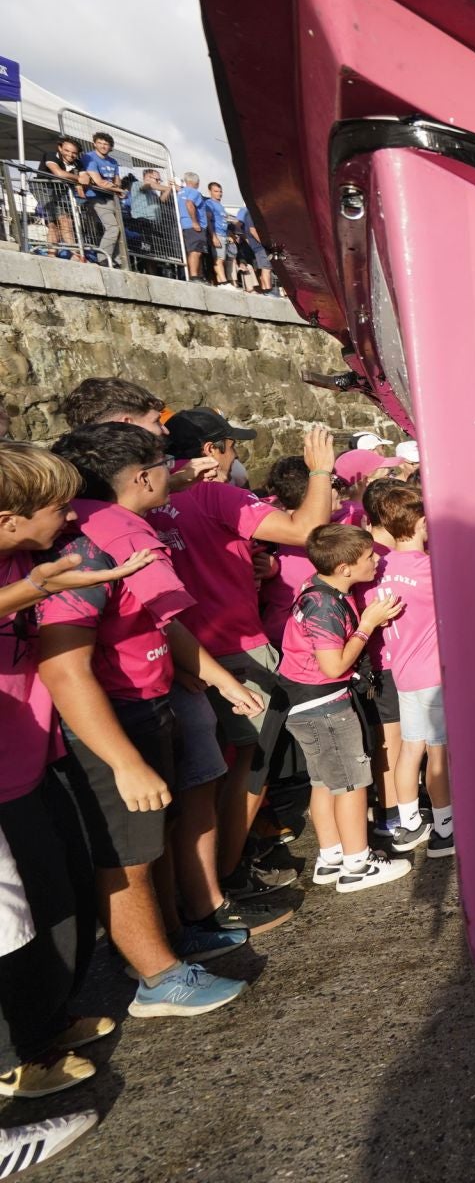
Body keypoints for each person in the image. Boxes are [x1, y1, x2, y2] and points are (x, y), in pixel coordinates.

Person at [37, 424, 264, 1017]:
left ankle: (173, 941)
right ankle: (157, 977)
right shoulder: (103, 536)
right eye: (166, 462)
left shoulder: (97, 526)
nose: (175, 471)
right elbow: (64, 666)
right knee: (127, 854)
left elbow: (161, 620)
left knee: (150, 840)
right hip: (117, 716)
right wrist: (122, 759)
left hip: (144, 699)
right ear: (141, 477)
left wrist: (218, 678)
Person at [0, 444, 154, 1099]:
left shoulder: (23, 557)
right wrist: (33, 589)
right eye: (57, 507)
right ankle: (16, 1058)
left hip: (35, 763)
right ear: (10, 518)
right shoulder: (25, 572)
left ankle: (46, 1024)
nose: (70, 516)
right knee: (12, 926)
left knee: (59, 902)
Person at [148, 411, 339, 902]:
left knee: (204, 775)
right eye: (232, 445)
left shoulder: (144, 502)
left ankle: (209, 876)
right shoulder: (214, 494)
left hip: (178, 648)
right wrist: (320, 471)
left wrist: (256, 562)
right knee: (249, 766)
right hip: (237, 648)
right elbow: (309, 528)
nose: (237, 455)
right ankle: (230, 872)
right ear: (212, 449)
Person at [277, 524, 411, 892]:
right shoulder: (325, 605)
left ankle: (331, 856)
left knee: (324, 783)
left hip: (303, 703)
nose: (377, 562)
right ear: (345, 568)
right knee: (352, 783)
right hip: (324, 704)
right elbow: (334, 666)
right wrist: (368, 625)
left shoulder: (317, 585)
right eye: (369, 558)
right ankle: (357, 864)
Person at [365, 485, 453, 857]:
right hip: (433, 676)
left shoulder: (376, 568)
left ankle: (408, 822)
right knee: (438, 752)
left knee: (410, 748)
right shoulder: (432, 569)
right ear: (421, 523)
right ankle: (445, 827)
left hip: (400, 673)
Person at [75, 133, 126, 269]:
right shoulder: (89, 157)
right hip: (95, 197)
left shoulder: (113, 162)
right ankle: (103, 258)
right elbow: (98, 182)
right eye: (100, 143)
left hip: (110, 198)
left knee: (118, 229)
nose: (103, 146)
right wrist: (119, 190)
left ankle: (115, 260)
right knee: (113, 228)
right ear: (94, 143)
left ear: (110, 147)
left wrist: (117, 188)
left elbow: (117, 181)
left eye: (106, 144)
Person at [175, 172, 208, 282]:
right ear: (197, 183)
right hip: (193, 226)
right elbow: (189, 203)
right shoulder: (194, 192)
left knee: (193, 251)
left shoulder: (180, 192)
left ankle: (195, 275)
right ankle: (194, 276)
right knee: (196, 251)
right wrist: (195, 222)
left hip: (185, 224)